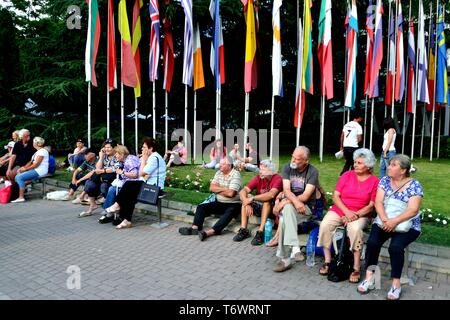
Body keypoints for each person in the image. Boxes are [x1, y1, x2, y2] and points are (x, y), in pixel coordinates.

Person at [358, 155, 423, 300]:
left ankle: (396, 284)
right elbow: (379, 202)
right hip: (384, 220)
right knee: (373, 242)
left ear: (403, 170)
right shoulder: (385, 180)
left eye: (393, 165)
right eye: (390, 164)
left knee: (395, 247)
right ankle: (370, 277)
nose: (389, 167)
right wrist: (386, 220)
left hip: (408, 224)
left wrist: (394, 222)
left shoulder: (414, 185)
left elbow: (413, 210)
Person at [317, 148, 379, 283]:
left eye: (360, 163)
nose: (355, 164)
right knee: (325, 225)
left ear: (368, 166)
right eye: (355, 162)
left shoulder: (375, 181)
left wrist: (354, 215)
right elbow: (336, 196)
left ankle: (356, 267)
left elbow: (371, 205)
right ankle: (328, 261)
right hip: (341, 210)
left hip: (360, 213)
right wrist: (346, 212)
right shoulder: (347, 175)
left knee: (355, 229)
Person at [272, 146, 320, 272]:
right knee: (287, 209)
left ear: (306, 161)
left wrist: (288, 202)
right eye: (292, 156)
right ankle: (295, 246)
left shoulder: (313, 171)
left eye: (297, 159)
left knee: (284, 220)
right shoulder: (287, 167)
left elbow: (305, 196)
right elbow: (286, 190)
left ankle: (285, 259)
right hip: (293, 205)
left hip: (306, 208)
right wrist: (292, 201)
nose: (293, 160)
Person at [104, 137, 166, 229]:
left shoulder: (154, 158)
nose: (142, 149)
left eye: (144, 147)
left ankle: (118, 206)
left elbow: (140, 173)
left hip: (155, 188)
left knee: (129, 185)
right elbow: (143, 175)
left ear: (151, 148)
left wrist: (144, 160)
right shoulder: (151, 157)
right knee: (129, 190)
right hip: (147, 184)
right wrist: (143, 162)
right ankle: (126, 220)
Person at [179, 156, 242, 241]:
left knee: (229, 213)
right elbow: (211, 188)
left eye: (223, 164)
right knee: (201, 207)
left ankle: (209, 233)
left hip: (233, 203)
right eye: (220, 163)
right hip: (219, 202)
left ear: (229, 166)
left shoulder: (236, 174)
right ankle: (195, 228)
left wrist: (218, 189)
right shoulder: (219, 173)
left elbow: (231, 194)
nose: (220, 165)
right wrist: (224, 189)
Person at [233, 159, 283, 245]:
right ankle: (243, 230)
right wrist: (246, 202)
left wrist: (252, 199)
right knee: (246, 197)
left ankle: (260, 232)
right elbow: (243, 191)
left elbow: (271, 195)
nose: (260, 172)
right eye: (260, 169)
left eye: (263, 170)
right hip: (261, 207)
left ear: (270, 171)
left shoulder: (277, 179)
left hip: (273, 210)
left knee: (266, 201)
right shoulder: (258, 178)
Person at [98, 145, 140, 224]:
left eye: (116, 154)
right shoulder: (123, 160)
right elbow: (115, 168)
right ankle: (111, 212)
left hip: (134, 185)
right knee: (111, 189)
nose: (115, 156)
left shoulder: (130, 160)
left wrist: (122, 172)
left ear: (121, 153)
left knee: (112, 189)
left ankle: (110, 212)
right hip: (127, 183)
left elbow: (135, 174)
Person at [78, 139, 119, 217]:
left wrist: (102, 170)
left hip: (113, 179)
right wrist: (101, 157)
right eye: (105, 147)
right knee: (89, 184)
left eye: (109, 147)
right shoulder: (104, 156)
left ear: (114, 148)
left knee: (104, 186)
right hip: (102, 177)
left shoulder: (118, 156)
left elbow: (116, 168)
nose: (106, 149)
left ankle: (111, 207)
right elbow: (97, 169)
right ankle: (93, 205)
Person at [11, 137, 49, 203]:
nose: (33, 144)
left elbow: (36, 164)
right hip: (37, 170)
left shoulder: (42, 151)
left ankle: (21, 197)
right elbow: (30, 162)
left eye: (34, 142)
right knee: (19, 175)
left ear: (37, 143)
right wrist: (22, 168)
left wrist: (25, 169)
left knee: (19, 177)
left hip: (40, 171)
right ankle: (20, 194)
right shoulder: (37, 152)